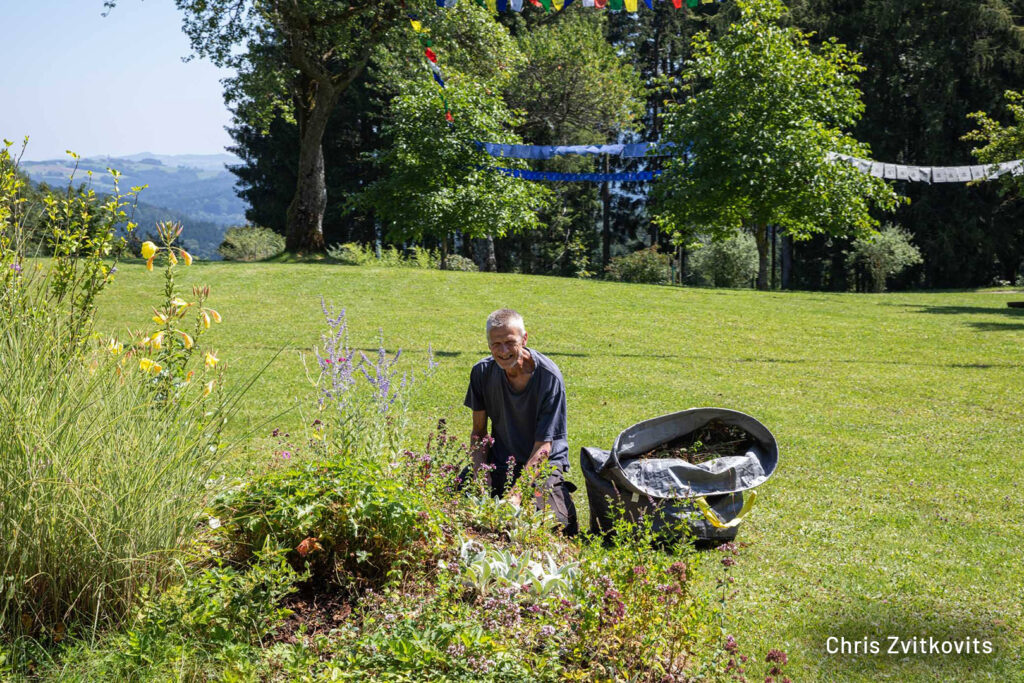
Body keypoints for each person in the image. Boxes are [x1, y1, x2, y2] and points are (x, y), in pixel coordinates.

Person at [464, 308, 578, 536]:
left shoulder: (549, 377)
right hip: (501, 460)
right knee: (452, 503)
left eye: (510, 342)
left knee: (549, 526)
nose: (503, 351)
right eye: (496, 344)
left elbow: (544, 447)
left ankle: (558, 496)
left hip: (542, 464)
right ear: (488, 345)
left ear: (524, 339)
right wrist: (480, 473)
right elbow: (478, 433)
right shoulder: (482, 372)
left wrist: (516, 494)